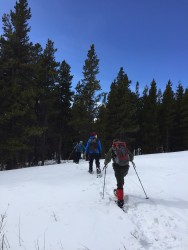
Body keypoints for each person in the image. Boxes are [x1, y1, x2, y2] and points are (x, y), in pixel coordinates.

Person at [104, 139, 134, 208]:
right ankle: (119, 191)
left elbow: (108, 157)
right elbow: (131, 156)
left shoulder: (113, 148)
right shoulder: (124, 147)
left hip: (118, 167)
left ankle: (120, 200)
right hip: (126, 166)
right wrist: (131, 160)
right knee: (121, 178)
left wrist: (105, 163)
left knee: (119, 182)